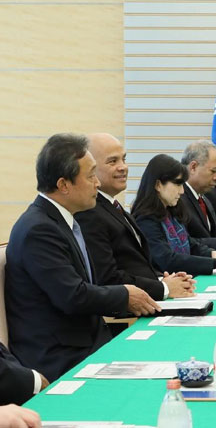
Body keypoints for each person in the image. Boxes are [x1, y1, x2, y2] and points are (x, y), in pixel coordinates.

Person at [4, 134, 159, 381]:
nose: (97, 183)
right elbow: (73, 296)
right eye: (90, 176)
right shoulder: (38, 229)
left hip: (88, 341)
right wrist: (126, 295)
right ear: (64, 184)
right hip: (60, 357)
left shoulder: (63, 220)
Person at [75, 133, 196, 300]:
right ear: (91, 168)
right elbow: (108, 278)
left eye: (123, 159)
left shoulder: (114, 207)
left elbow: (138, 264)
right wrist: (163, 287)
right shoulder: (89, 213)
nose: (123, 167)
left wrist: (164, 279)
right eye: (112, 161)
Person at [132, 154, 216, 276]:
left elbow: (189, 243)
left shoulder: (171, 210)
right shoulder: (145, 219)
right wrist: (215, 263)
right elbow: (167, 260)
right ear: (158, 185)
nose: (182, 191)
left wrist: (211, 253)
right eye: (177, 184)